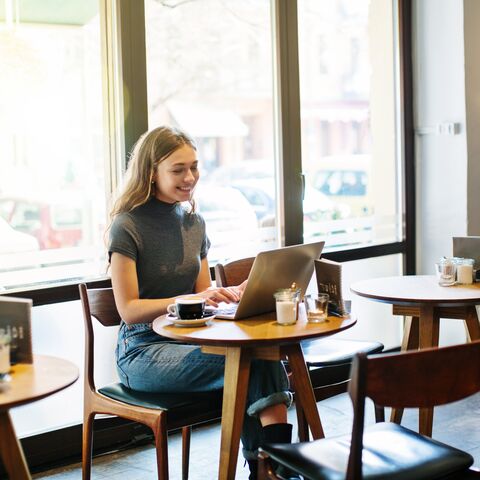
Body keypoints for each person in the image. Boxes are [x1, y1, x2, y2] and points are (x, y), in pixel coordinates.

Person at [107, 126, 298, 479]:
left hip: (191, 340)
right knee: (252, 360)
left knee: (257, 355)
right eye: (178, 169)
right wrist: (194, 296)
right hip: (142, 351)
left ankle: (271, 467)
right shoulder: (127, 226)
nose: (190, 177)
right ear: (151, 172)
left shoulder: (194, 222)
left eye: (194, 167)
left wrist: (229, 296)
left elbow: (201, 300)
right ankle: (275, 467)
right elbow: (128, 309)